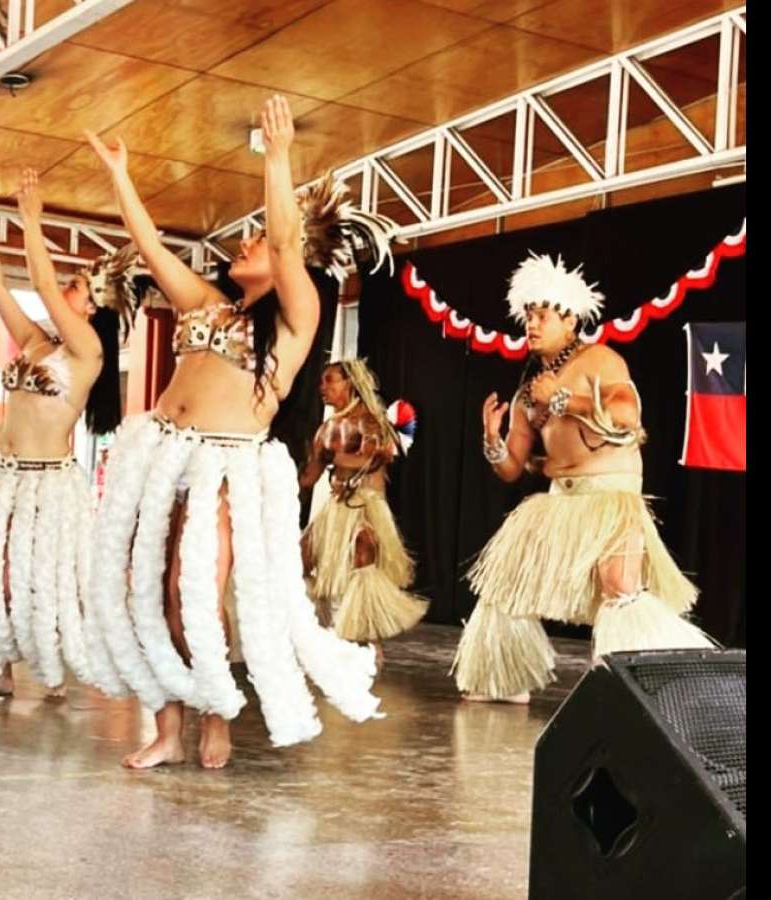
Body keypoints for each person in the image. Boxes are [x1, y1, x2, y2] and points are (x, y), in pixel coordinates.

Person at [83, 96, 395, 768]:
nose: (246, 242)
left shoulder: (296, 319)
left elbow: (283, 242)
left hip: (226, 468)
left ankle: (217, 712)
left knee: (196, 593)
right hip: (162, 455)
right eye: (246, 237)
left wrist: (278, 159)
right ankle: (167, 728)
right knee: (152, 593)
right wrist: (120, 177)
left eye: (257, 240)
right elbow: (148, 250)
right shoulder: (208, 302)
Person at [453, 254, 713, 703]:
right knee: (506, 583)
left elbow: (627, 419)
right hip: (559, 498)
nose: (531, 324)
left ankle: (655, 683)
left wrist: (563, 402)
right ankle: (504, 678)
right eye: (527, 316)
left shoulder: (601, 361)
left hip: (608, 494)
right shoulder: (529, 386)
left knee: (619, 590)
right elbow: (511, 467)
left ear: (570, 319)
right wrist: (492, 440)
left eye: (542, 315)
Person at [0, 173, 134, 699]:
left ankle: (51, 667)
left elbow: (42, 285)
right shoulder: (36, 343)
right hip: (0, 475)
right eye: (68, 281)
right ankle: (0, 671)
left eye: (77, 287)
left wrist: (31, 220)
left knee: (39, 578)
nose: (63, 286)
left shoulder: (87, 352)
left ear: (90, 308)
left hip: (46, 484)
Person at [300, 360, 427, 659]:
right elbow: (310, 476)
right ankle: (314, 628)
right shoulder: (326, 429)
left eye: (330, 381)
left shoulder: (372, 422)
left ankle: (369, 640)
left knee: (363, 556)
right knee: (302, 558)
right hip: (338, 506)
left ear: (350, 384)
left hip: (366, 505)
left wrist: (339, 458)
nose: (323, 388)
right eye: (322, 382)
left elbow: (375, 459)